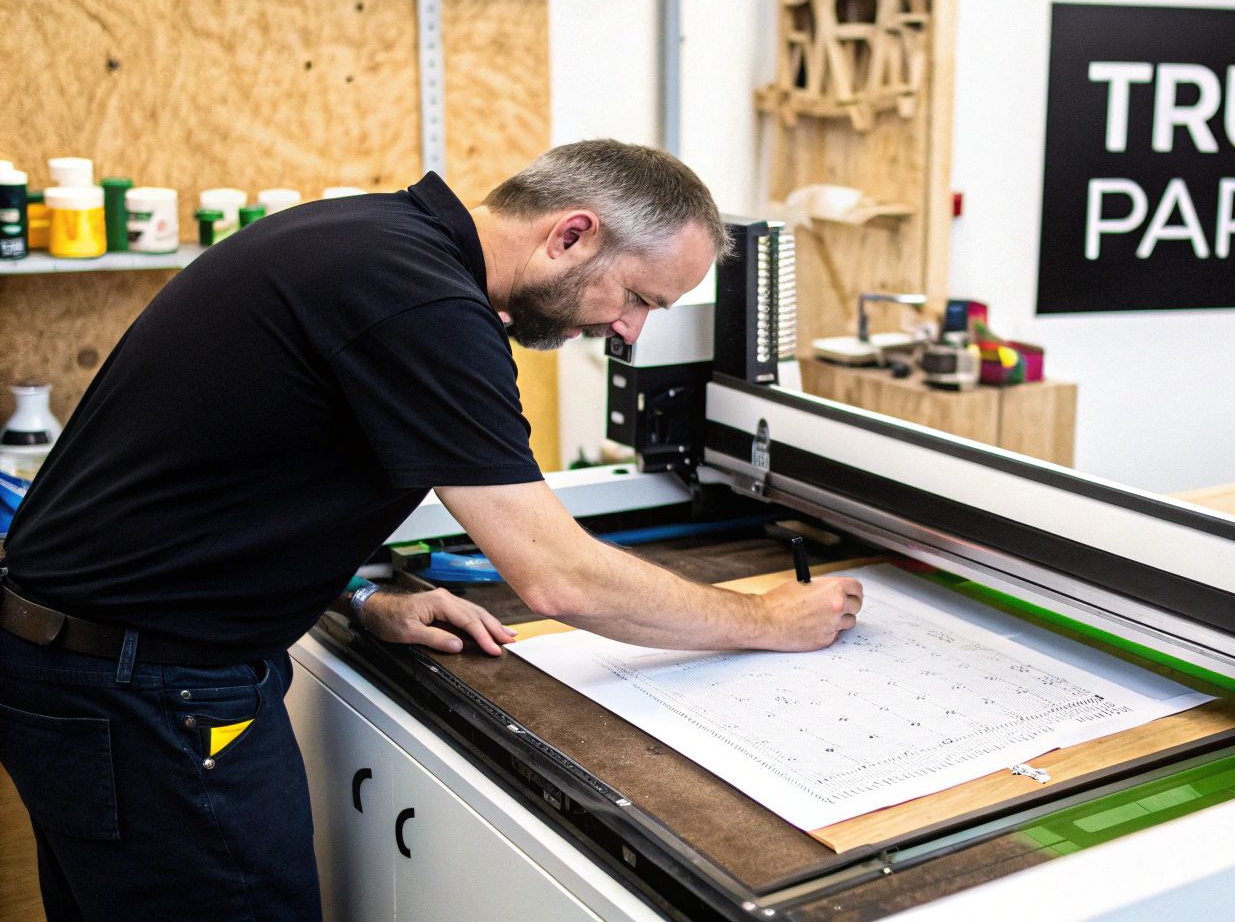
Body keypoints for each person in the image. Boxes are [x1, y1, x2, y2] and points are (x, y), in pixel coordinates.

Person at [0, 140, 864, 921]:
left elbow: (228, 482)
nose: (629, 332)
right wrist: (768, 620)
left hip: (88, 669)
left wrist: (357, 595)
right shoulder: (422, 302)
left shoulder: (372, 238)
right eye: (638, 297)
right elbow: (559, 577)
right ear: (571, 235)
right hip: (148, 696)